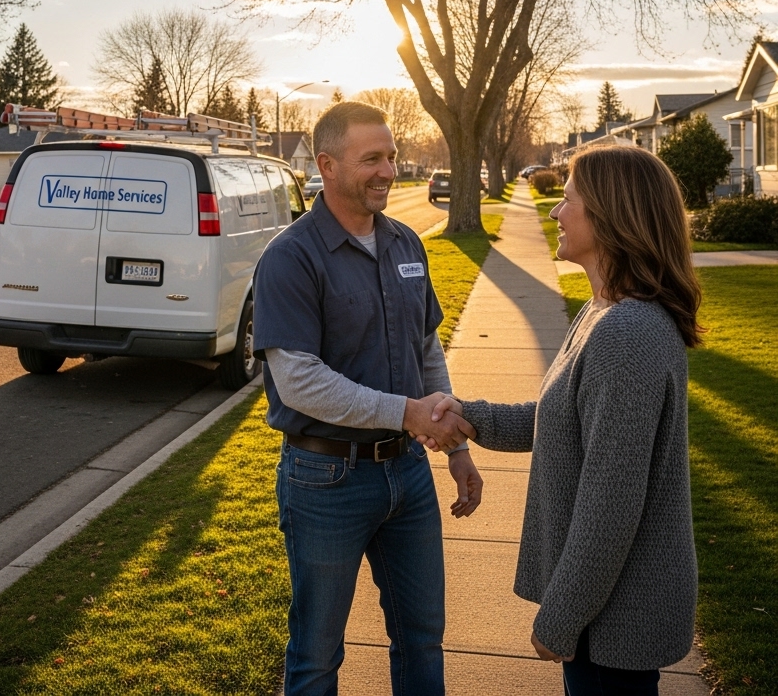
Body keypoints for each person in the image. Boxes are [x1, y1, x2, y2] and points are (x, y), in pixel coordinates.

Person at [429, 146, 699, 695]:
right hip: (607, 608)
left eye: (568, 199)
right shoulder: (605, 311)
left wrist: (561, 617)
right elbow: (566, 419)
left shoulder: (627, 334)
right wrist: (471, 419)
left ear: (609, 213)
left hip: (616, 615)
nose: (555, 212)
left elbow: (611, 501)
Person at [252, 101, 482, 696]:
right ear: (326, 165)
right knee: (316, 654)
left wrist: (451, 441)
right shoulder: (290, 258)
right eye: (371, 159)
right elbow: (298, 379)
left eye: (392, 157)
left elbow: (424, 347)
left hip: (408, 475)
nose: (387, 170)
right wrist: (405, 413)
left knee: (423, 637)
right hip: (325, 479)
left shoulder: (406, 243)